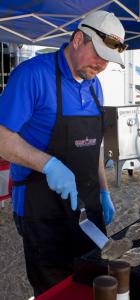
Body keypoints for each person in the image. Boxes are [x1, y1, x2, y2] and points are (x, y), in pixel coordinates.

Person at [0, 10, 127, 296]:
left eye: (108, 60)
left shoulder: (95, 85)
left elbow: (94, 144)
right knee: (57, 290)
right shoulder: (32, 75)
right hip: (41, 211)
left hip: (87, 207)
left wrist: (104, 191)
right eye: (99, 55)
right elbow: (2, 138)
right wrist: (48, 164)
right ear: (78, 39)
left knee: (95, 281)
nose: (102, 65)